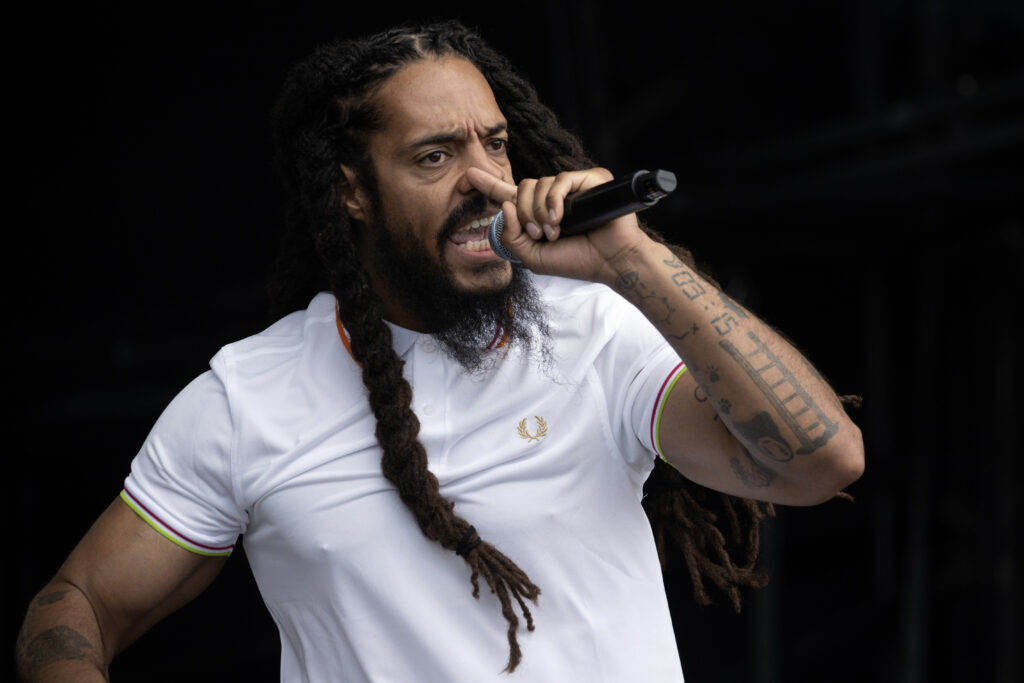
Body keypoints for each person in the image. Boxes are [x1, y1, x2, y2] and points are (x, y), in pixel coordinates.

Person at [16, 21, 864, 682]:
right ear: (352, 190)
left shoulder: (599, 331)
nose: (487, 181)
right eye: (435, 156)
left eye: (494, 143)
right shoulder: (249, 398)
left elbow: (822, 462)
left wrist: (631, 259)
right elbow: (78, 601)